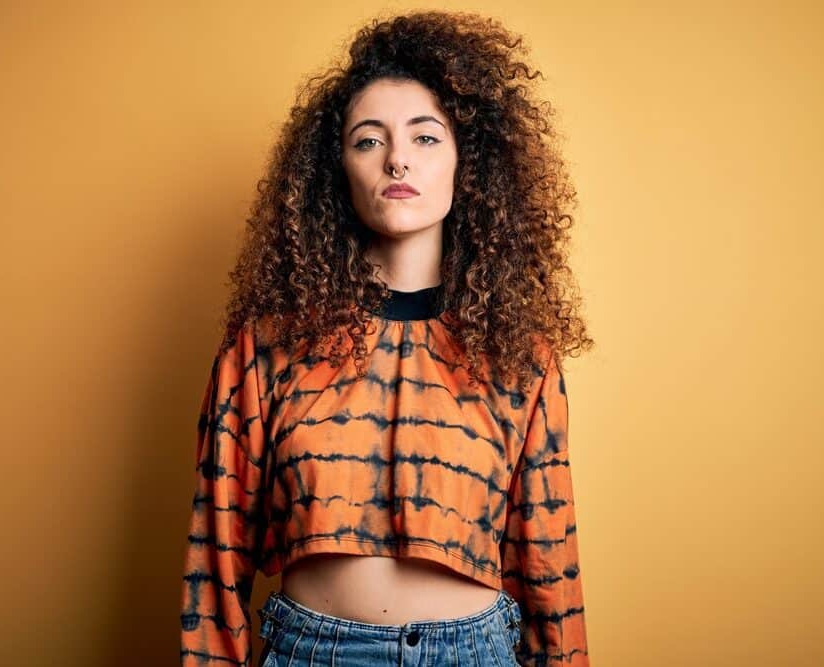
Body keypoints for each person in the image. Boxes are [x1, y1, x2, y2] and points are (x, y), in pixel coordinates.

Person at [180, 9, 594, 667]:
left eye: (426, 137)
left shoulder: (519, 354)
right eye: (368, 139)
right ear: (335, 169)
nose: (398, 156)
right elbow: (215, 552)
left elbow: (550, 560)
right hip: (312, 651)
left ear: (470, 161)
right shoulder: (266, 346)